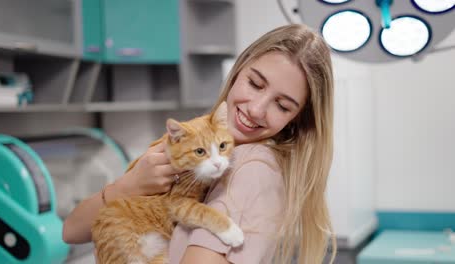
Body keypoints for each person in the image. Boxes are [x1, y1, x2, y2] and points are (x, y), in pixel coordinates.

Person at [63, 24, 337, 264]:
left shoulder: (252, 165)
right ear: (237, 71)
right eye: (254, 83)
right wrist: (130, 185)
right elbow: (71, 231)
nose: (256, 109)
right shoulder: (194, 138)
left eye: (281, 105)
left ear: (295, 119)